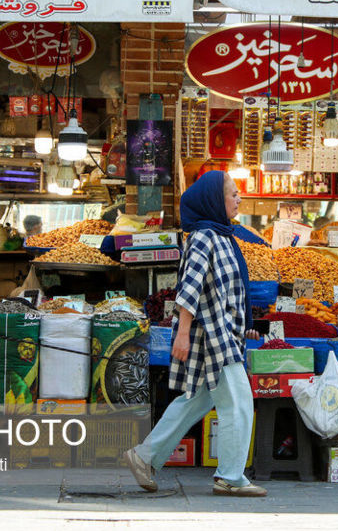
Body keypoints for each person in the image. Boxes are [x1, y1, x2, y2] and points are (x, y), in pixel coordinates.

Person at [124, 171, 266, 497]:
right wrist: (182, 333)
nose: (239, 198)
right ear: (214, 200)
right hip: (212, 335)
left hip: (223, 332)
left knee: (195, 401)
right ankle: (230, 477)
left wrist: (244, 325)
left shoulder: (223, 235)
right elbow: (190, 288)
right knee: (239, 402)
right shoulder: (203, 237)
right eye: (232, 193)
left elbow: (229, 289)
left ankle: (144, 457)